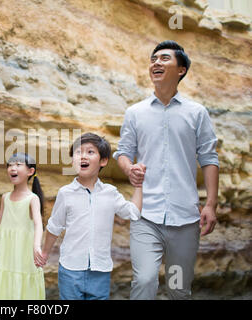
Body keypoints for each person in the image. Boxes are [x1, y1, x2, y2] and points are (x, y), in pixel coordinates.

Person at [113, 40, 219, 300]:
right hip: (145, 215)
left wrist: (211, 205)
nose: (156, 63)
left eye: (164, 59)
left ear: (181, 70)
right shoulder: (135, 112)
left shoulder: (197, 113)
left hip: (185, 219)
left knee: (178, 289)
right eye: (153, 59)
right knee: (145, 280)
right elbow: (123, 152)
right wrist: (129, 169)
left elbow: (209, 158)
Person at [38, 133, 143, 300]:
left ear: (103, 161)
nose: (83, 156)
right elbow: (54, 227)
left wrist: (138, 185)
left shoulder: (110, 193)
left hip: (100, 270)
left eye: (90, 152)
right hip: (70, 268)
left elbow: (133, 213)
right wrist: (44, 253)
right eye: (78, 152)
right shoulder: (65, 193)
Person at [0, 153, 45, 300]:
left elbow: (38, 224)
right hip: (6, 255)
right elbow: (0, 224)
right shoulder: (5, 197)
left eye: (18, 164)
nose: (12, 168)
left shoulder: (32, 199)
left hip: (24, 253)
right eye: (9, 165)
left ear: (30, 171)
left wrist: (36, 246)